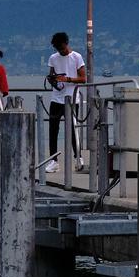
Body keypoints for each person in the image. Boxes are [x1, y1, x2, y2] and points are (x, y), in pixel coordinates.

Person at [46, 32, 86, 174]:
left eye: (62, 48)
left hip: (72, 97)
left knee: (73, 129)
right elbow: (51, 75)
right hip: (57, 97)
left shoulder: (76, 57)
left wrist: (68, 79)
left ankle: (78, 157)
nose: (60, 51)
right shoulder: (53, 58)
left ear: (67, 44)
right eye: (58, 49)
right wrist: (53, 79)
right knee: (53, 129)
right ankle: (53, 160)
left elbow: (83, 78)